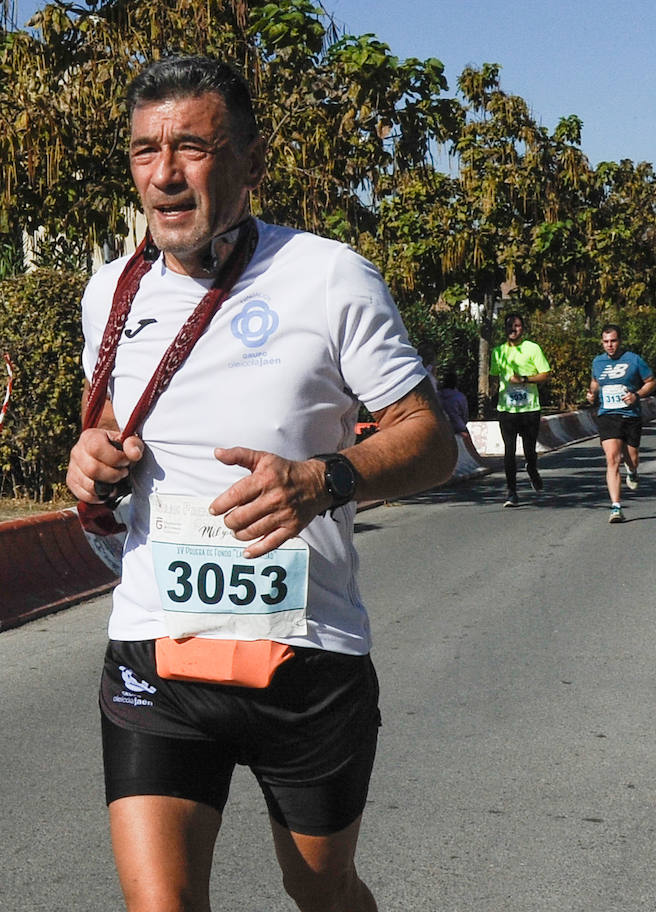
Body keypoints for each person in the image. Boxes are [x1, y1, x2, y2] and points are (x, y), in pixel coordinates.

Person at [65, 56, 456, 912]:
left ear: (252, 162)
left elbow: (433, 442)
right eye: (144, 151)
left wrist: (325, 480)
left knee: (322, 894)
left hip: (305, 655)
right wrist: (86, 458)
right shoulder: (108, 292)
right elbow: (102, 435)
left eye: (193, 147)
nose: (164, 174)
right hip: (158, 651)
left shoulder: (326, 276)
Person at [584, 323, 656, 523]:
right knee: (612, 458)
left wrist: (637, 395)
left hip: (630, 415)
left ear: (620, 341)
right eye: (606, 341)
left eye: (613, 341)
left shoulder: (633, 360)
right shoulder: (597, 362)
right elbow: (595, 382)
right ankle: (616, 507)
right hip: (607, 415)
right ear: (602, 342)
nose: (609, 345)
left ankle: (632, 472)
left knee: (631, 457)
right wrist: (592, 394)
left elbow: (651, 381)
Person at [489, 312, 551, 506]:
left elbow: (545, 374)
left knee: (529, 450)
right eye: (509, 326)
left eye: (516, 326)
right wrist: (491, 392)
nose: (512, 329)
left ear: (522, 328)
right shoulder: (498, 352)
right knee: (509, 451)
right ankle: (511, 492)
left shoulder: (532, 349)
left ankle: (532, 469)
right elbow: (493, 376)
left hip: (529, 409)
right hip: (507, 409)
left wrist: (524, 379)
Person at [437, 368, 484, 466]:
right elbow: (464, 414)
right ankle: (479, 462)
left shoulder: (438, 395)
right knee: (469, 444)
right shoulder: (459, 396)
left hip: (442, 425)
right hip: (457, 426)